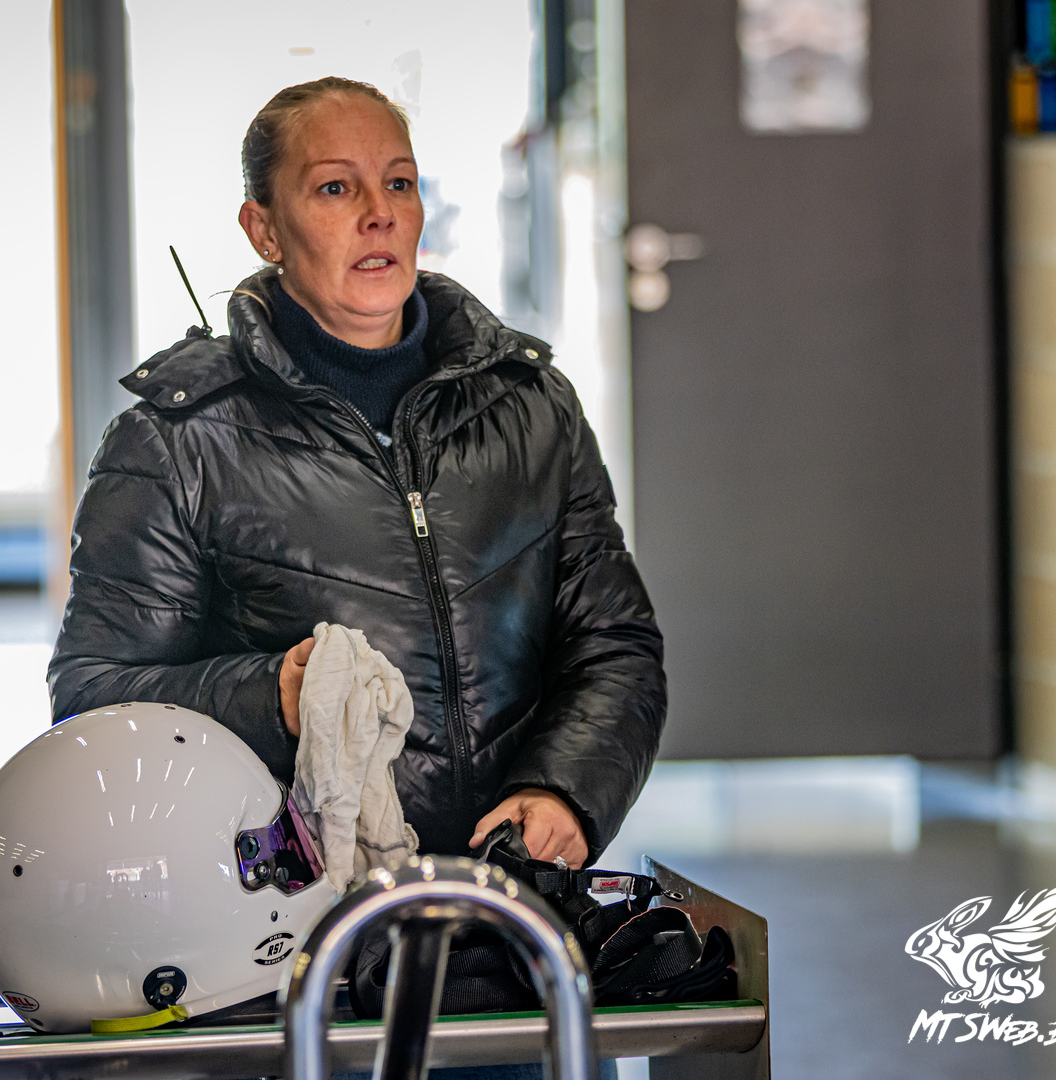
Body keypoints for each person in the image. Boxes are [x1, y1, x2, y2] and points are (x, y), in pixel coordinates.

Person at [49, 77, 665, 870]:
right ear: (264, 230)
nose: (380, 214)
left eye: (399, 183)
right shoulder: (175, 440)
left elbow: (613, 643)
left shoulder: (531, 404)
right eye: (335, 188)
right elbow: (94, 695)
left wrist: (565, 794)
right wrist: (270, 696)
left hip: (508, 889)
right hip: (287, 907)